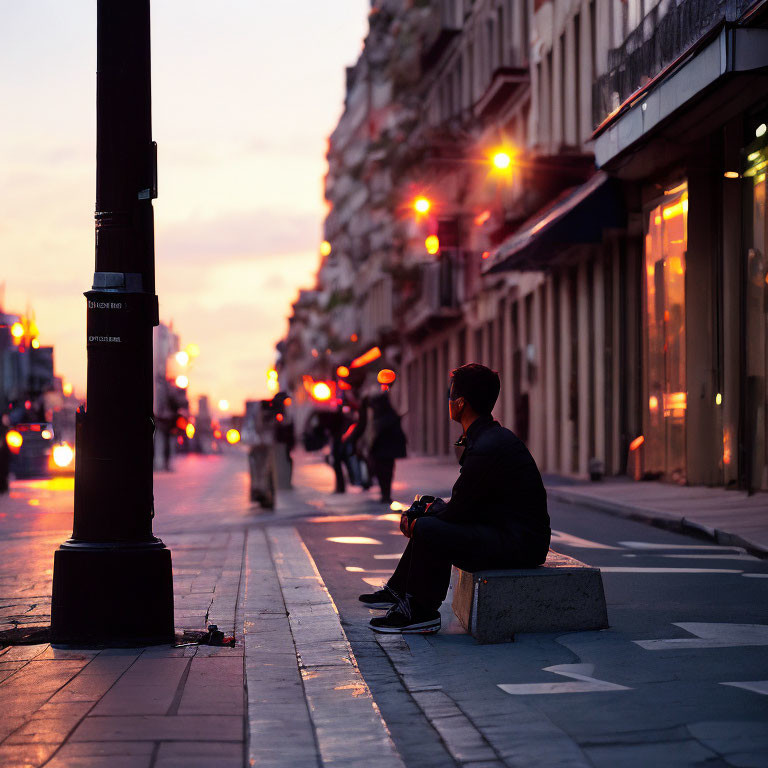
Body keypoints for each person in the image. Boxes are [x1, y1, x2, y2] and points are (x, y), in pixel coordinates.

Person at [359, 363, 551, 634]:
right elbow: (468, 501)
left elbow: (459, 511)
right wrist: (427, 508)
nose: (448, 401)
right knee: (426, 514)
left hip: (520, 545)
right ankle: (399, 591)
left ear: (460, 403)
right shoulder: (486, 436)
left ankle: (421, 612)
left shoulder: (487, 445)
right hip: (507, 533)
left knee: (427, 527)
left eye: (451, 395)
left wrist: (416, 522)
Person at [367, 392, 407, 504]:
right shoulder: (386, 415)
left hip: (383, 449)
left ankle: (386, 494)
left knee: (385, 473)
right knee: (384, 473)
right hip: (383, 450)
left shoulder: (386, 416)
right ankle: (385, 494)